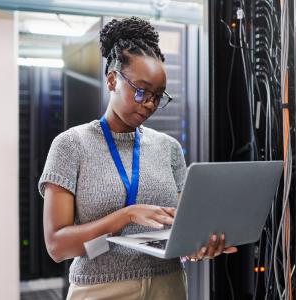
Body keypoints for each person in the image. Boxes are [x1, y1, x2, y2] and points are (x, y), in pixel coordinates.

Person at [39, 16, 237, 300]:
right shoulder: (71, 145)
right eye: (142, 91)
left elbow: (182, 228)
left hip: (168, 286)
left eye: (158, 96)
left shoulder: (168, 148)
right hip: (101, 290)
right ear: (112, 80)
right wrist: (126, 215)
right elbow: (57, 246)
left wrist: (199, 244)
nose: (149, 104)